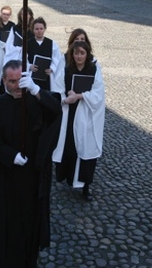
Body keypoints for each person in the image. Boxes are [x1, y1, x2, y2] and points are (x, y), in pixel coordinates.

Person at [0, 60, 62, 268]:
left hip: (31, 177)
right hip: (4, 179)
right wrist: (9, 155)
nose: (15, 85)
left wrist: (36, 90)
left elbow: (56, 111)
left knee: (29, 224)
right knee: (3, 226)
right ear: (3, 81)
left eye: (20, 81)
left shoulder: (36, 101)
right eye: (11, 81)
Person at [52, 40, 105, 201]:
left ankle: (85, 186)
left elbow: (98, 92)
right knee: (70, 148)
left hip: (87, 115)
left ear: (87, 54)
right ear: (72, 54)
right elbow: (57, 88)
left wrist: (80, 96)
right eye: (76, 53)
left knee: (87, 150)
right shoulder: (67, 69)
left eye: (82, 53)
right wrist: (65, 99)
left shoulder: (94, 69)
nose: (79, 56)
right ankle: (69, 177)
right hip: (70, 113)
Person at [27, 17, 64, 95]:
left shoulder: (52, 43)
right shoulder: (28, 43)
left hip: (47, 77)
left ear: (44, 29)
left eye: (41, 28)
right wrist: (29, 66)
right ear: (33, 30)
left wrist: (52, 69)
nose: (39, 31)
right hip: (32, 76)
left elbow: (57, 59)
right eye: (37, 29)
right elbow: (22, 59)